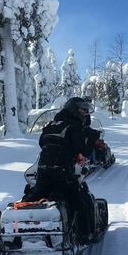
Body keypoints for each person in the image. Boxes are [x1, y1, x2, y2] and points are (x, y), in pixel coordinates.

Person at [24, 97, 97, 244]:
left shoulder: (52, 124)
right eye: (83, 110)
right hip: (62, 170)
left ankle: (22, 228)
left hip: (43, 169)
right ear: (73, 109)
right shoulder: (74, 126)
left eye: (86, 110)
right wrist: (91, 138)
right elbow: (85, 149)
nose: (86, 113)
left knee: (34, 196)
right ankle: (85, 235)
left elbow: (42, 142)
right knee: (79, 199)